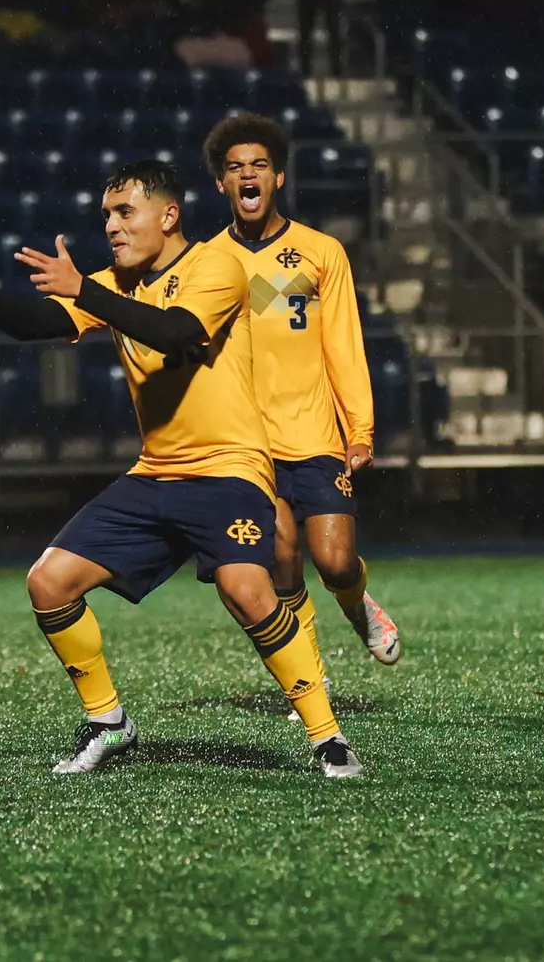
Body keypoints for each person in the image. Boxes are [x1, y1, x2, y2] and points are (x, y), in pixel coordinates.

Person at [0, 160, 362, 778]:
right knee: (48, 582)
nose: (113, 227)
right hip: (156, 473)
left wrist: (87, 291)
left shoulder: (216, 266)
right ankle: (108, 722)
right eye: (106, 216)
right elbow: (41, 322)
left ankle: (327, 737)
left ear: (168, 216)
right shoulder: (117, 281)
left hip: (230, 468)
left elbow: (177, 332)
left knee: (245, 589)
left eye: (125, 212)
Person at [203, 114, 402, 674]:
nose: (248, 176)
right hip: (249, 447)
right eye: (236, 168)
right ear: (221, 184)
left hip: (314, 435)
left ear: (278, 178)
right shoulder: (208, 263)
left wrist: (359, 430)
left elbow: (345, 346)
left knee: (335, 563)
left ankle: (357, 605)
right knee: (282, 562)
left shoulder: (322, 253)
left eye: (259, 166)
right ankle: (306, 673)